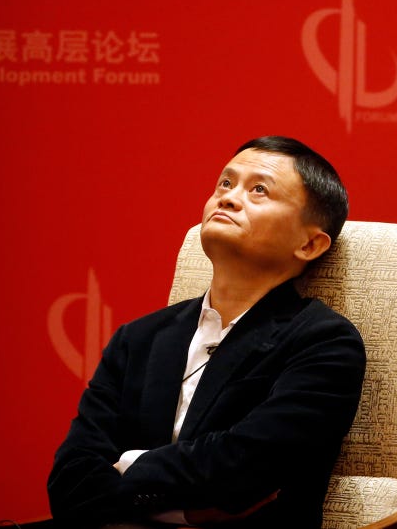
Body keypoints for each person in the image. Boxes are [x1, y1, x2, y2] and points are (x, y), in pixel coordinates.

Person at [48, 136, 366, 528]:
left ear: (310, 244)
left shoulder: (323, 342)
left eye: (259, 190)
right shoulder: (138, 339)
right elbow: (69, 484)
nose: (228, 198)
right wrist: (187, 511)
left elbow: (244, 471)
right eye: (225, 184)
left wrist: (128, 463)